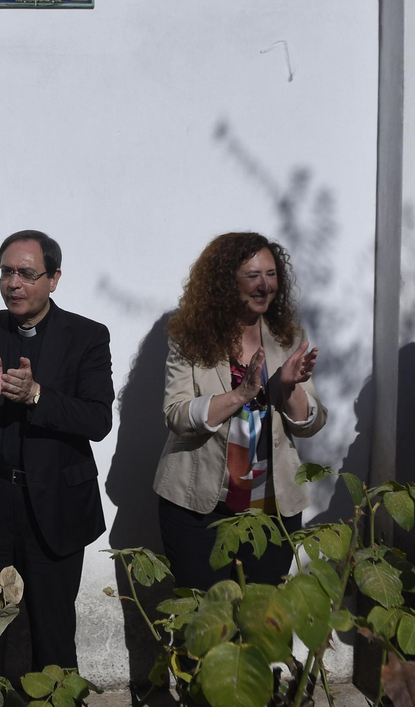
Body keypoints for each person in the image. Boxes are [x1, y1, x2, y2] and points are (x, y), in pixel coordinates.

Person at [0, 230, 113, 676]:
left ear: (53, 279)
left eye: (27, 273)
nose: (14, 283)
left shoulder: (87, 336)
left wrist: (36, 396)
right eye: (7, 271)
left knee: (53, 634)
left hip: (56, 506)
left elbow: (98, 420)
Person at [153, 232, 325, 590]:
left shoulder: (288, 337)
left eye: (272, 274)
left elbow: (311, 423)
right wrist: (240, 394)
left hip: (272, 510)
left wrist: (289, 387)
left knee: (261, 625)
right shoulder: (191, 337)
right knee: (203, 625)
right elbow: (177, 414)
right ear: (225, 283)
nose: (265, 286)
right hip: (198, 508)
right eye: (253, 276)